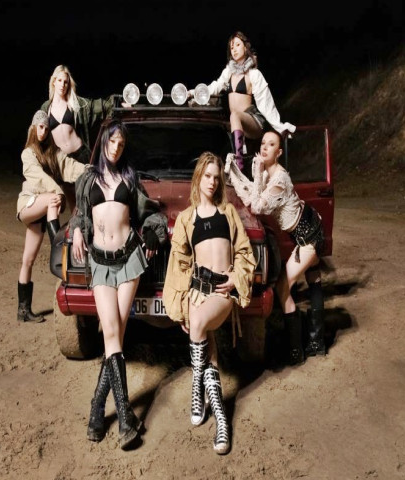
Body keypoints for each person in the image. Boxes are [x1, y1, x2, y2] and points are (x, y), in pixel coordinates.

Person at [70, 120, 167, 450]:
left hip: (128, 260)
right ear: (104, 143)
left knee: (116, 333)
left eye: (121, 144)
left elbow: (150, 213)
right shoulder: (88, 178)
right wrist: (78, 230)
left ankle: (101, 415)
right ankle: (118, 415)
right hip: (99, 262)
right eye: (112, 142)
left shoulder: (130, 177)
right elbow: (79, 214)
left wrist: (152, 231)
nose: (116, 148)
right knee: (112, 333)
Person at [162, 152, 256, 455]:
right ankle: (222, 424)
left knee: (199, 325)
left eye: (217, 177)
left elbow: (244, 253)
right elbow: (179, 265)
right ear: (198, 178)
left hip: (220, 292)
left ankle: (196, 384)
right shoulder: (186, 218)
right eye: (208, 176)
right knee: (209, 352)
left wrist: (236, 278)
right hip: (196, 292)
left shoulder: (228, 213)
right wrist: (181, 305)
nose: (213, 182)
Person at [225, 130, 326, 365]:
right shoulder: (268, 175)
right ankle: (316, 342)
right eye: (263, 143)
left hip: (308, 236)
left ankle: (296, 351)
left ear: (278, 152)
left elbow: (257, 206)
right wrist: (241, 174)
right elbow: (253, 192)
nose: (264, 147)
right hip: (306, 229)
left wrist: (256, 174)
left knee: (282, 286)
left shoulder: (279, 179)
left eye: (271, 145)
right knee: (314, 280)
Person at [16, 110, 86, 323]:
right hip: (29, 205)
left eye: (46, 128)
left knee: (28, 260)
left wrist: (90, 170)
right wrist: (58, 192)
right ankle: (58, 244)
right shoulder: (27, 154)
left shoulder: (53, 153)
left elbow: (69, 166)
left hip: (43, 211)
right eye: (40, 127)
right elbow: (38, 178)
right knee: (53, 199)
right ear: (33, 127)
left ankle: (23, 311)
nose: (43, 131)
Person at [190, 31, 296, 170]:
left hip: (253, 121)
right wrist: (193, 93)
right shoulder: (228, 72)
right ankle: (234, 161)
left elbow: (266, 103)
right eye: (231, 47)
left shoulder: (254, 74)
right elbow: (214, 87)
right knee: (227, 122)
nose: (234, 49)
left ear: (245, 48)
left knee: (235, 115)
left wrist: (279, 126)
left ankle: (238, 162)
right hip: (236, 123)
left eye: (237, 45)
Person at [40, 65, 113, 164]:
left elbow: (102, 105)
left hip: (80, 155)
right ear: (54, 81)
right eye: (59, 80)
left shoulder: (76, 103)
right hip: (60, 159)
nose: (62, 85)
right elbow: (37, 133)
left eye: (65, 82)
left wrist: (121, 102)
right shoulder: (46, 107)